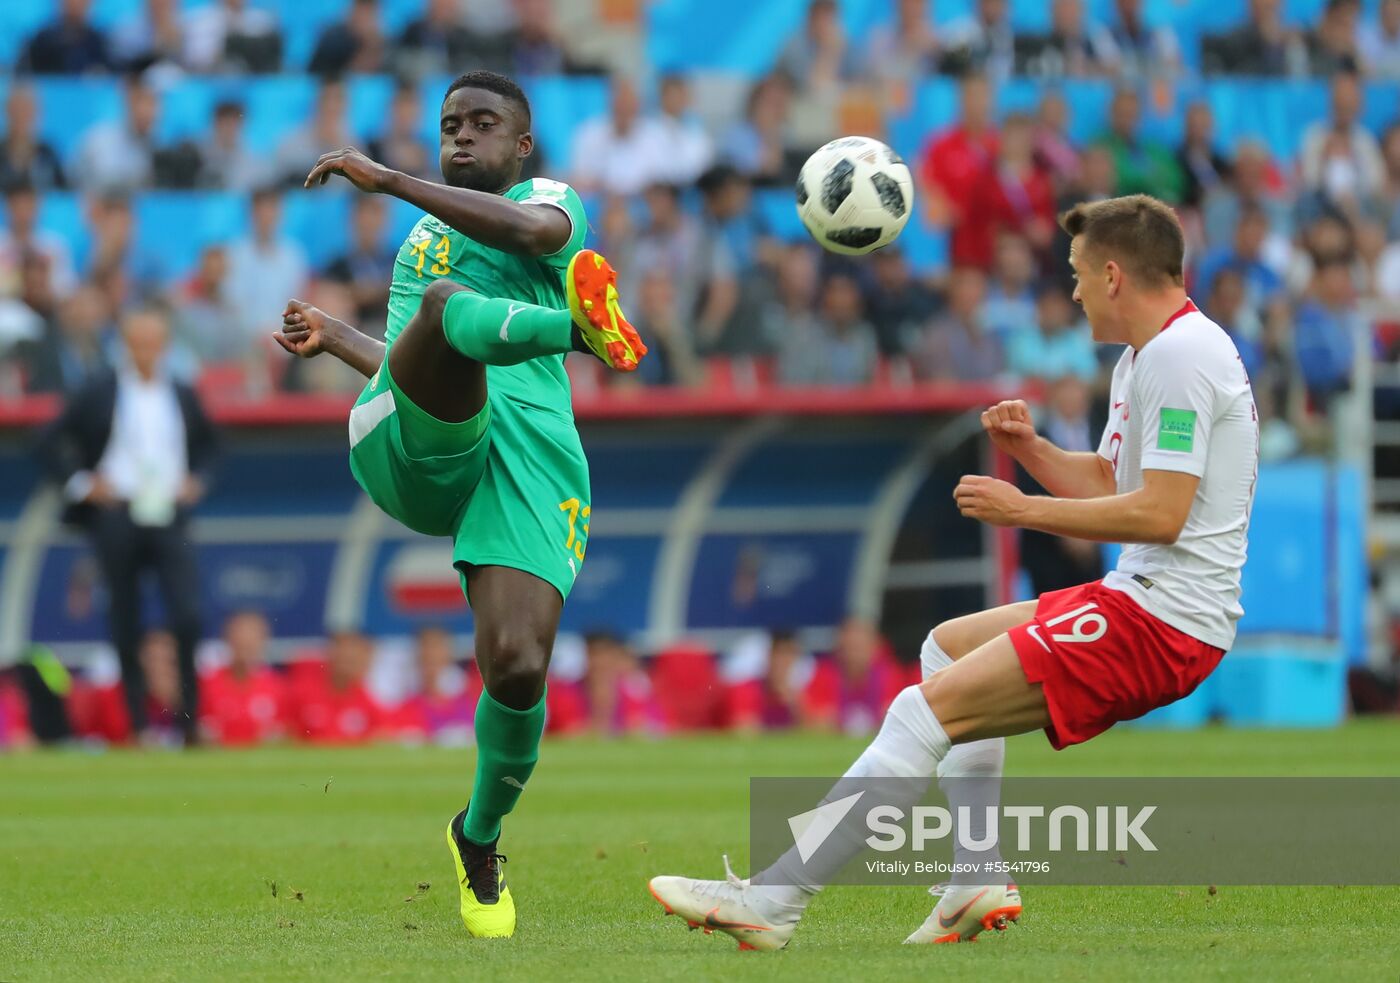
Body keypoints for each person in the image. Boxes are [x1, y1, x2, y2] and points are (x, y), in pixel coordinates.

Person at [648, 195, 1258, 950]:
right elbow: (1110, 479)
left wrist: (1023, 509)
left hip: (1164, 619)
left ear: (1111, 274)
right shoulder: (1146, 355)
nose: (1069, 291)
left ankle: (774, 899)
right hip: (1142, 600)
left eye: (1074, 275)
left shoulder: (1182, 355)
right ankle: (976, 874)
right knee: (946, 647)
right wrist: (1032, 451)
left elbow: (1162, 513)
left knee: (920, 711)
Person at [271, 70, 646, 940]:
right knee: (441, 307)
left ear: (522, 146)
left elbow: (532, 229)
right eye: (448, 125)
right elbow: (416, 355)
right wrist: (348, 341)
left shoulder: (552, 202)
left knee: (517, 663)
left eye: (482, 124)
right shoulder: (420, 251)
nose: (460, 137)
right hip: (409, 446)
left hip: (529, 457)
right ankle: (581, 332)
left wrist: (387, 193)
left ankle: (478, 837)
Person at [39, 305, 218, 748]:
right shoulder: (99, 390)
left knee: (186, 613)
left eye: (154, 342)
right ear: (124, 344)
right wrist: (82, 484)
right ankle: (136, 723)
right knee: (125, 616)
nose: (146, 351)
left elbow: (213, 446)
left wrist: (197, 481)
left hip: (167, 512)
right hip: (117, 512)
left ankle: (189, 721)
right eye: (138, 342)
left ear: (165, 345)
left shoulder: (181, 390)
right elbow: (44, 440)